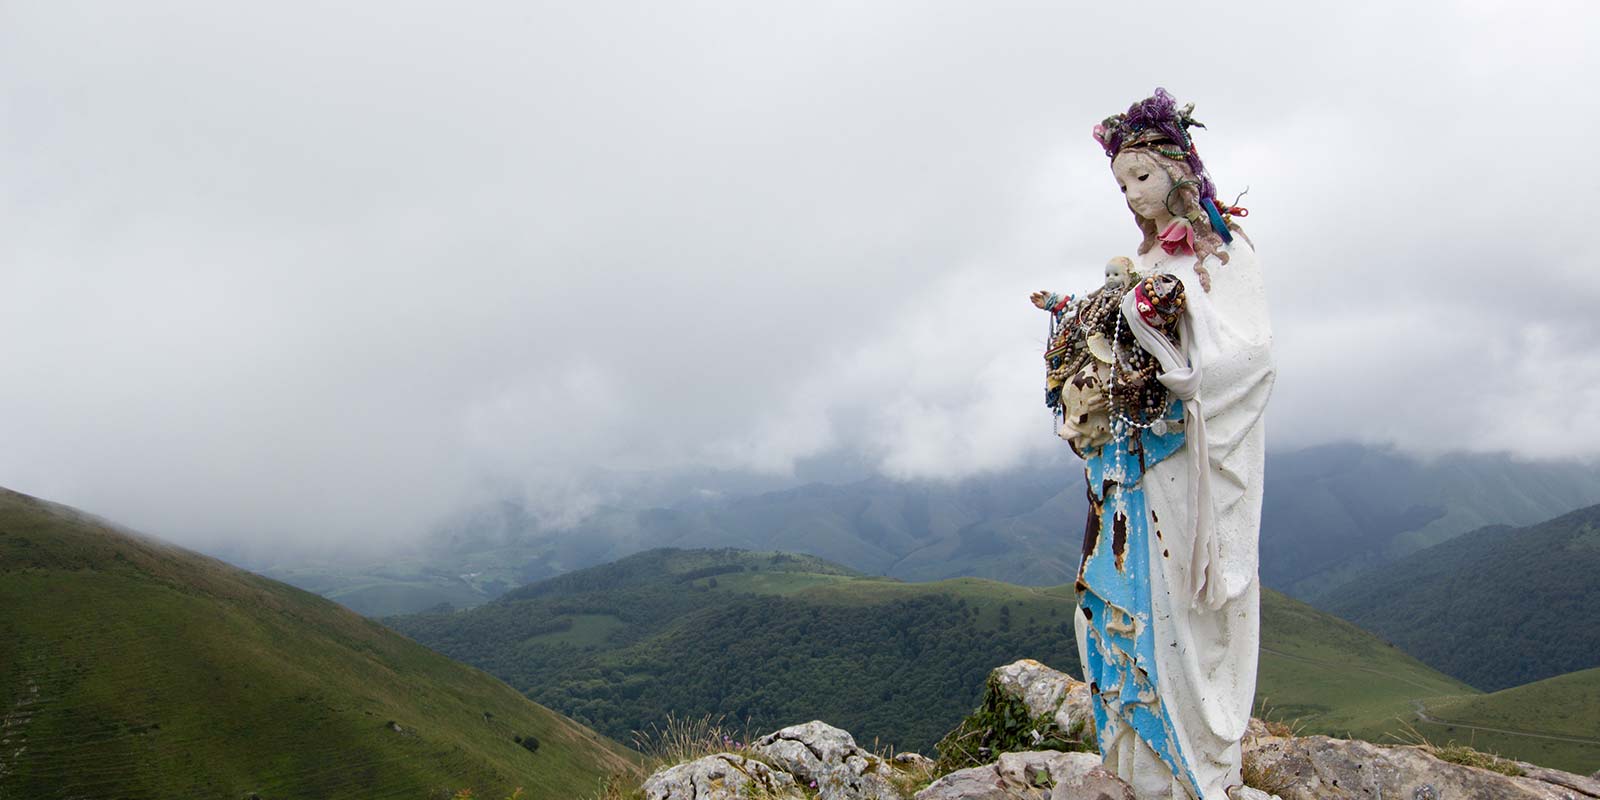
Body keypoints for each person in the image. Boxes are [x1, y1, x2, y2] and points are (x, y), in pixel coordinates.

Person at [1032, 88, 1274, 800]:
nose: (1134, 196)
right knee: (1112, 603)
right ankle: (1137, 764)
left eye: (1142, 177)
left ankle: (1189, 772)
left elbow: (1254, 355)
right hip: (1129, 465)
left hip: (1184, 462)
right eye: (1123, 184)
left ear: (1179, 169)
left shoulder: (1223, 257)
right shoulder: (1143, 263)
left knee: (1177, 606)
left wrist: (1182, 373)